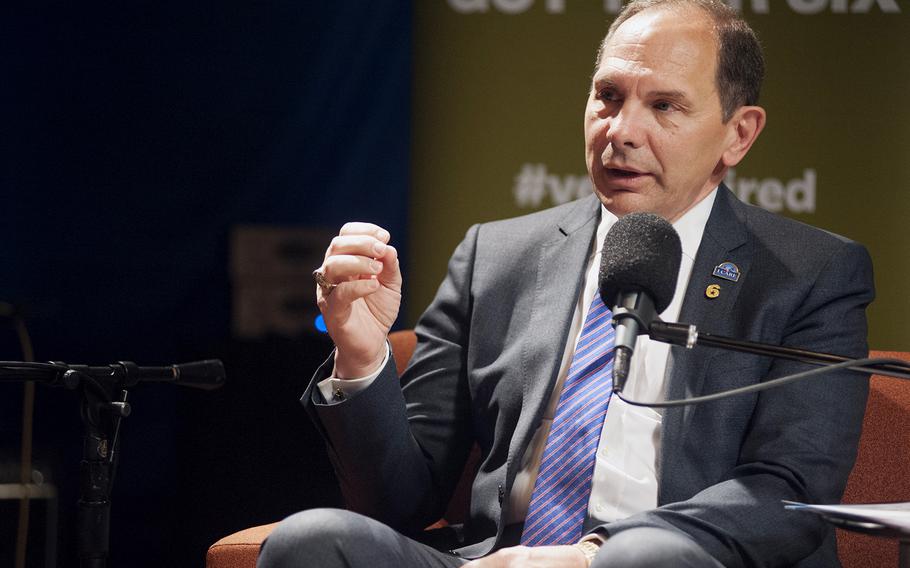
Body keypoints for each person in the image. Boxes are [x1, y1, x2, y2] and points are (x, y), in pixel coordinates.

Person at [259, 0, 875, 566]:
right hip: (498, 560)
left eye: (664, 106)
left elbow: (788, 489)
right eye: (608, 96)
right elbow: (400, 502)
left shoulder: (809, 272)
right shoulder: (495, 255)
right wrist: (361, 354)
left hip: (668, 559)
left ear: (738, 133)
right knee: (310, 541)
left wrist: (594, 555)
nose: (621, 130)